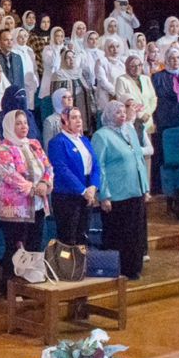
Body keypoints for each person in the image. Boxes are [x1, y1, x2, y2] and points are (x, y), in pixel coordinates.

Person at [94, 101, 150, 279]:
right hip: (116, 194)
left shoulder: (130, 131)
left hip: (135, 191)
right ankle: (117, 270)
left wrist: (145, 187)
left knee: (136, 233)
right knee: (119, 234)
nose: (122, 115)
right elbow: (99, 167)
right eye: (118, 113)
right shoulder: (101, 136)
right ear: (110, 115)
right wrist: (104, 195)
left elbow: (139, 160)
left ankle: (134, 269)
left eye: (123, 112)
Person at [0, 108, 51, 276]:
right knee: (15, 248)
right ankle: (11, 285)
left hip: (37, 204)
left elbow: (48, 166)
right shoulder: (2, 149)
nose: (24, 126)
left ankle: (31, 282)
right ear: (10, 126)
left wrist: (45, 183)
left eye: (25, 123)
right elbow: (9, 174)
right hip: (15, 209)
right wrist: (33, 188)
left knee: (35, 244)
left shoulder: (34, 144)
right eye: (18, 123)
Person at [46, 106, 101, 244]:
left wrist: (93, 187)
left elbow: (95, 165)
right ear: (65, 121)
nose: (79, 121)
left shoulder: (85, 140)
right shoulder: (57, 142)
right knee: (68, 239)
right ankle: (67, 260)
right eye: (74, 118)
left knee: (83, 236)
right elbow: (62, 169)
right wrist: (82, 190)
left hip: (87, 194)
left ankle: (81, 259)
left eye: (80, 117)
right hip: (67, 197)